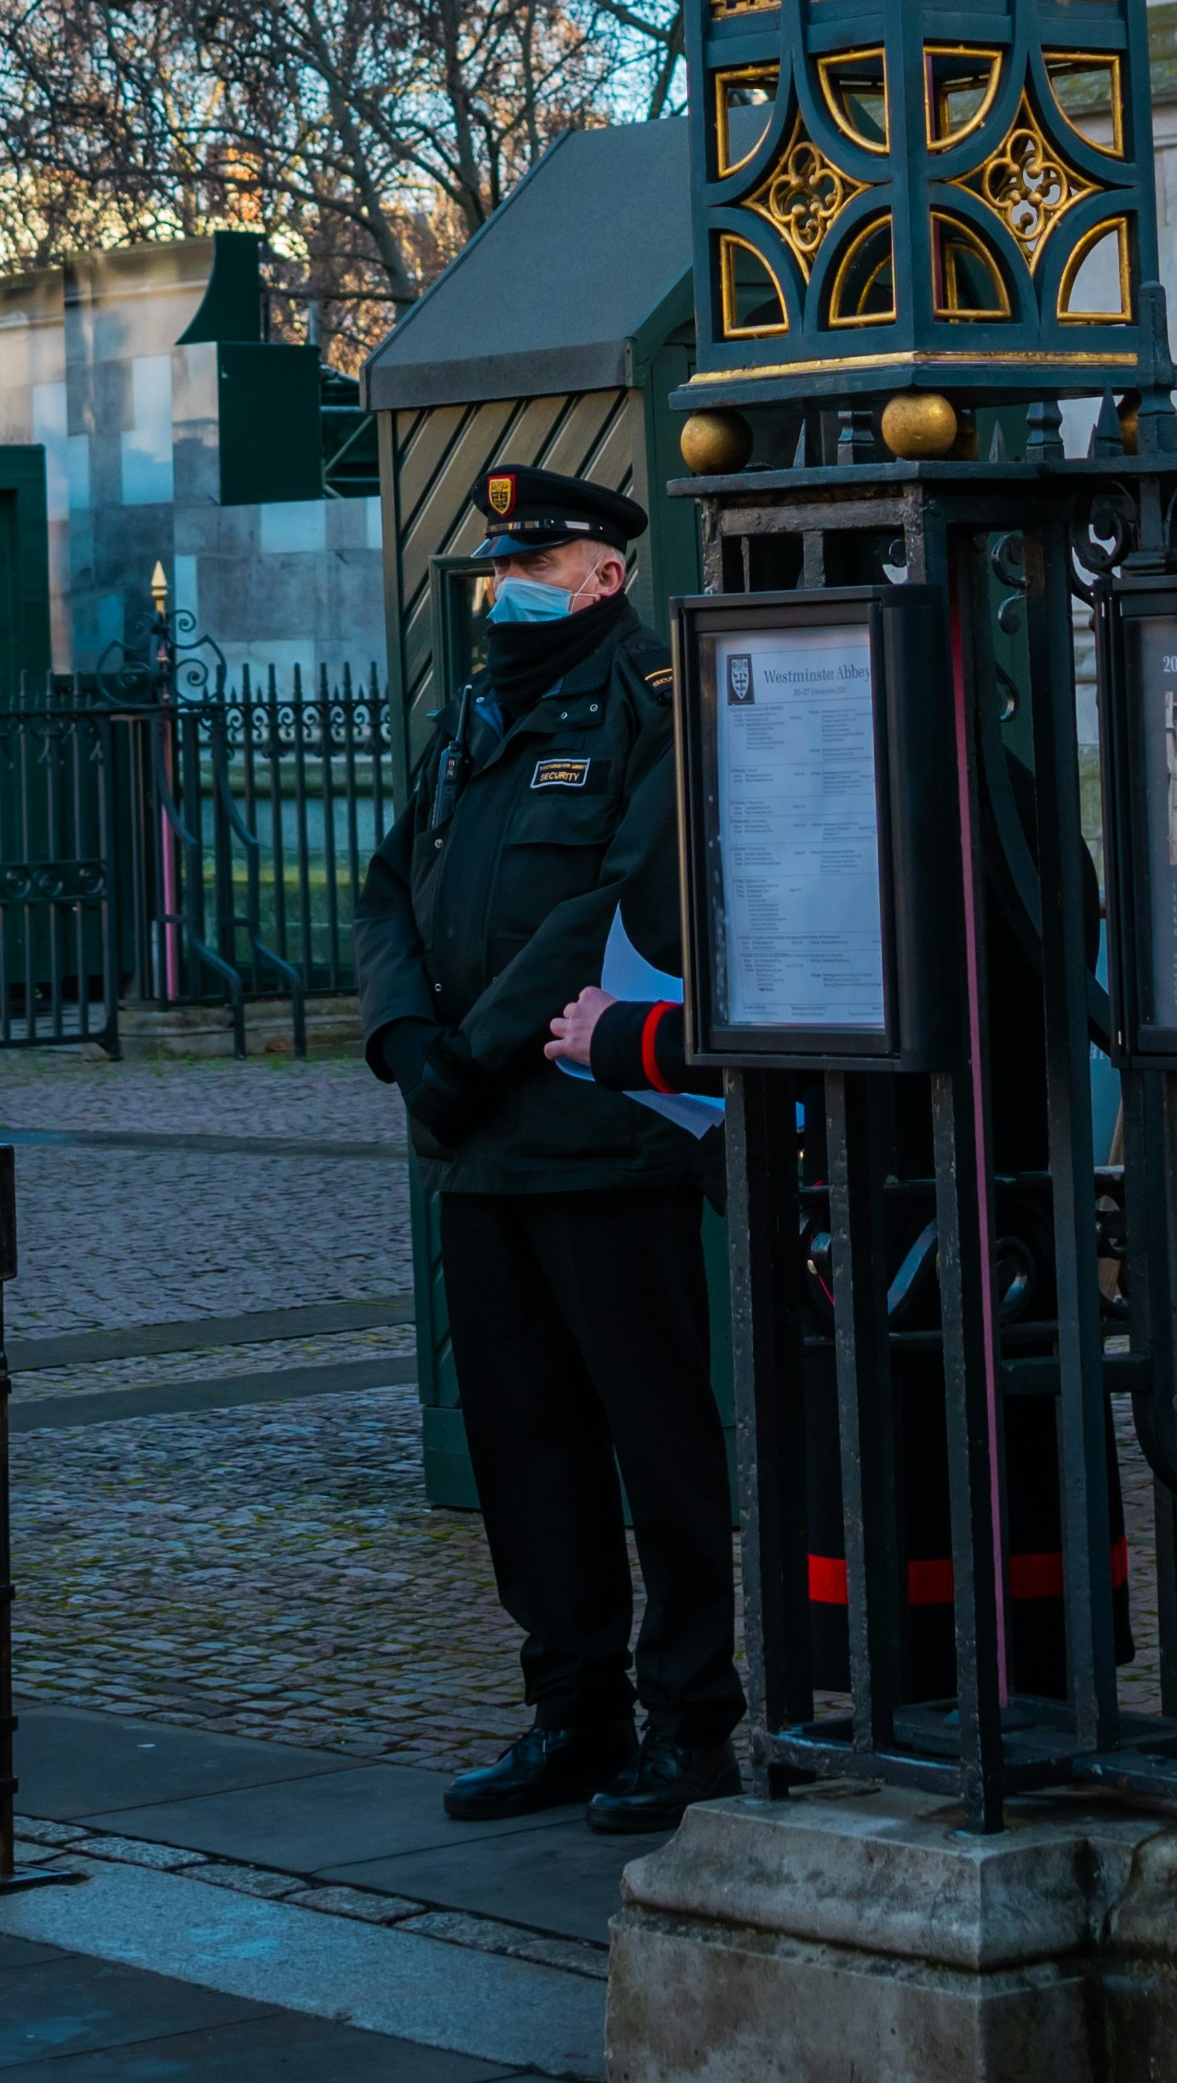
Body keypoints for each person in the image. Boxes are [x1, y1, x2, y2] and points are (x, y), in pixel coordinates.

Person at [356, 460, 737, 1838]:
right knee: (528, 1448)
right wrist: (406, 1042)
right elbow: (393, 884)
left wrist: (482, 1046)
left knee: (657, 1442)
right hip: (476, 1148)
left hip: (597, 1135)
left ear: (607, 573)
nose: (513, 582)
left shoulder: (651, 707)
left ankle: (694, 1722)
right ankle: (571, 1713)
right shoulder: (475, 712)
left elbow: (614, 903)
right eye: (506, 562)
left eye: (541, 561)